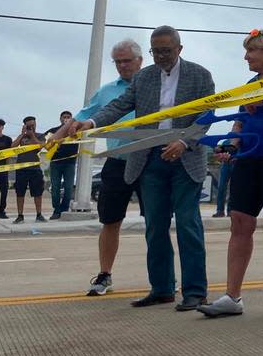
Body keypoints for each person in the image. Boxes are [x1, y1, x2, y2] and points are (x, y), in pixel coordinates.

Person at [68, 26, 215, 311]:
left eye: (166, 51)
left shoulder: (200, 75)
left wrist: (184, 142)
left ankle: (195, 292)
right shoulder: (143, 78)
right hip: (149, 160)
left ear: (179, 49)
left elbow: (206, 117)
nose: (160, 56)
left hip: (186, 159)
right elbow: (120, 105)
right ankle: (161, 289)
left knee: (187, 224)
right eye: (155, 51)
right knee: (155, 227)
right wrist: (93, 123)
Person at [199, 29, 263, 321]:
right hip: (249, 157)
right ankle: (233, 296)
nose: (246, 57)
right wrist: (229, 147)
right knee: (240, 222)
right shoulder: (249, 85)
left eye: (251, 51)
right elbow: (239, 123)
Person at [54, 40, 144, 296]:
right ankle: (104, 275)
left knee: (157, 222)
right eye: (118, 61)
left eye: (127, 61)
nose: (122, 66)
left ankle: (163, 278)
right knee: (110, 221)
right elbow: (81, 116)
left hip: (149, 162)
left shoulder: (153, 87)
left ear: (140, 60)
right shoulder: (106, 91)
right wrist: (53, 142)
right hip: (116, 162)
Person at [11, 117, 46, 223]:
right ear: (25, 126)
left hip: (35, 168)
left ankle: (39, 214)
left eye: (33, 125)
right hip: (21, 168)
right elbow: (12, 147)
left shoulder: (40, 135)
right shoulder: (22, 137)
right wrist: (22, 134)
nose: (32, 127)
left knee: (38, 193)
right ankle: (20, 215)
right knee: (20, 193)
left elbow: (41, 147)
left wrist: (32, 136)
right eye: (29, 125)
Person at [44, 111, 78, 219]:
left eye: (68, 117)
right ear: (60, 119)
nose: (66, 119)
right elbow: (45, 143)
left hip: (70, 163)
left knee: (68, 188)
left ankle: (64, 209)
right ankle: (56, 210)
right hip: (56, 163)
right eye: (64, 117)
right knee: (55, 188)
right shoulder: (53, 131)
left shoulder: (75, 131)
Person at [210, 141, 237, 218]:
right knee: (221, 187)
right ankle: (220, 210)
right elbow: (217, 154)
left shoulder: (241, 141)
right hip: (226, 165)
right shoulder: (226, 142)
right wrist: (218, 155)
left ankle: (230, 210)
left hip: (236, 164)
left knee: (233, 188)